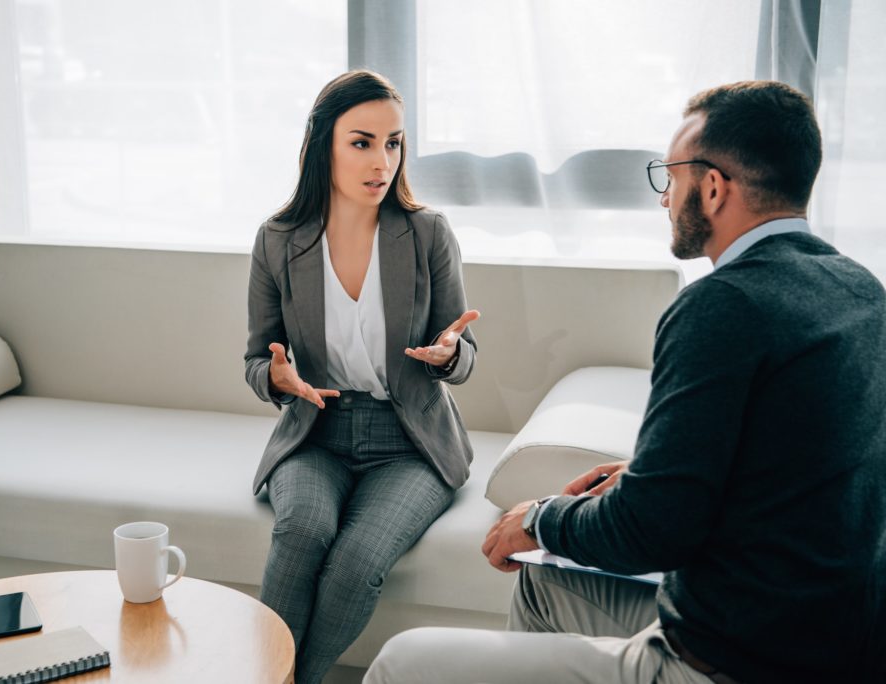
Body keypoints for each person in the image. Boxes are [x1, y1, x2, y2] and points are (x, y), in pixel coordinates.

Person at [364, 81, 886, 684]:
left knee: (401, 662)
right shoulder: (858, 289)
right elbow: (798, 468)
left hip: (732, 660)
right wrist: (649, 474)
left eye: (671, 177)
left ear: (712, 187)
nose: (665, 198)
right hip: (832, 643)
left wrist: (539, 517)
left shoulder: (722, 305)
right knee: (544, 582)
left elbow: (650, 531)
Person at [244, 69, 479, 683]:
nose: (382, 160)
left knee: (356, 559)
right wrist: (277, 379)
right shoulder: (278, 240)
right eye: (362, 141)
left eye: (394, 142)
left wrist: (450, 354)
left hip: (409, 443)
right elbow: (254, 359)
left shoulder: (427, 232)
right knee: (302, 532)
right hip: (317, 432)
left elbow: (467, 352)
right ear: (323, 143)